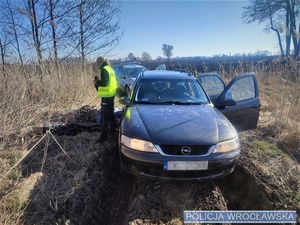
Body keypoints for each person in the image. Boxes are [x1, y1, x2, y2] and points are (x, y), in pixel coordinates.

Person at [94, 56, 117, 142]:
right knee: (111, 115)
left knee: (104, 117)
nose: (97, 65)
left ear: (99, 62)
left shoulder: (104, 69)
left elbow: (105, 83)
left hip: (106, 97)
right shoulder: (110, 69)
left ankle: (103, 137)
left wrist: (97, 82)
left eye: (97, 63)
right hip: (111, 95)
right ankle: (112, 132)